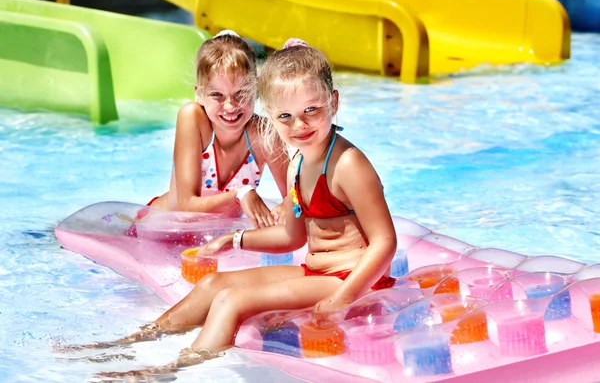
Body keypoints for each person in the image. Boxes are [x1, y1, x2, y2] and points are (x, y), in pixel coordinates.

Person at [73, 38, 398, 376]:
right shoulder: (296, 165)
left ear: (333, 102)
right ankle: (131, 342)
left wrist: (342, 299)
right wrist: (235, 240)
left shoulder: (348, 164)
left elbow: (385, 242)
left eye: (311, 111)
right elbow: (293, 237)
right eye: (285, 116)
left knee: (233, 301)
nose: (299, 126)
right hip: (318, 272)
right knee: (214, 285)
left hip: (351, 280)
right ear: (270, 116)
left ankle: (169, 370)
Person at [146, 30, 290, 228]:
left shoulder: (265, 135)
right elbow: (185, 210)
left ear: (256, 90)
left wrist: (287, 208)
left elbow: (296, 198)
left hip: (214, 238)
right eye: (217, 95)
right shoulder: (193, 118)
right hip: (158, 228)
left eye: (240, 93)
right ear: (200, 94)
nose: (230, 106)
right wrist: (240, 194)